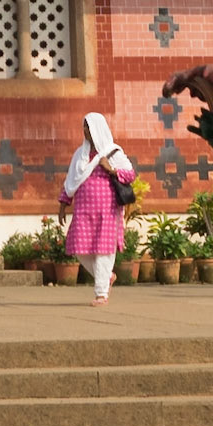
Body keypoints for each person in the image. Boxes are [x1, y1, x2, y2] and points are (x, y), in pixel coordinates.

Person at [59, 111, 135, 304]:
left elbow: (130, 174)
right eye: (84, 127)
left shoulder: (113, 152)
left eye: (88, 127)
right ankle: (107, 277)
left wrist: (111, 169)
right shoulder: (80, 154)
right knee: (78, 249)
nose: (85, 130)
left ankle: (101, 294)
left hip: (107, 211)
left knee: (103, 250)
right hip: (83, 211)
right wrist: (63, 204)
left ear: (97, 129)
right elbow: (71, 181)